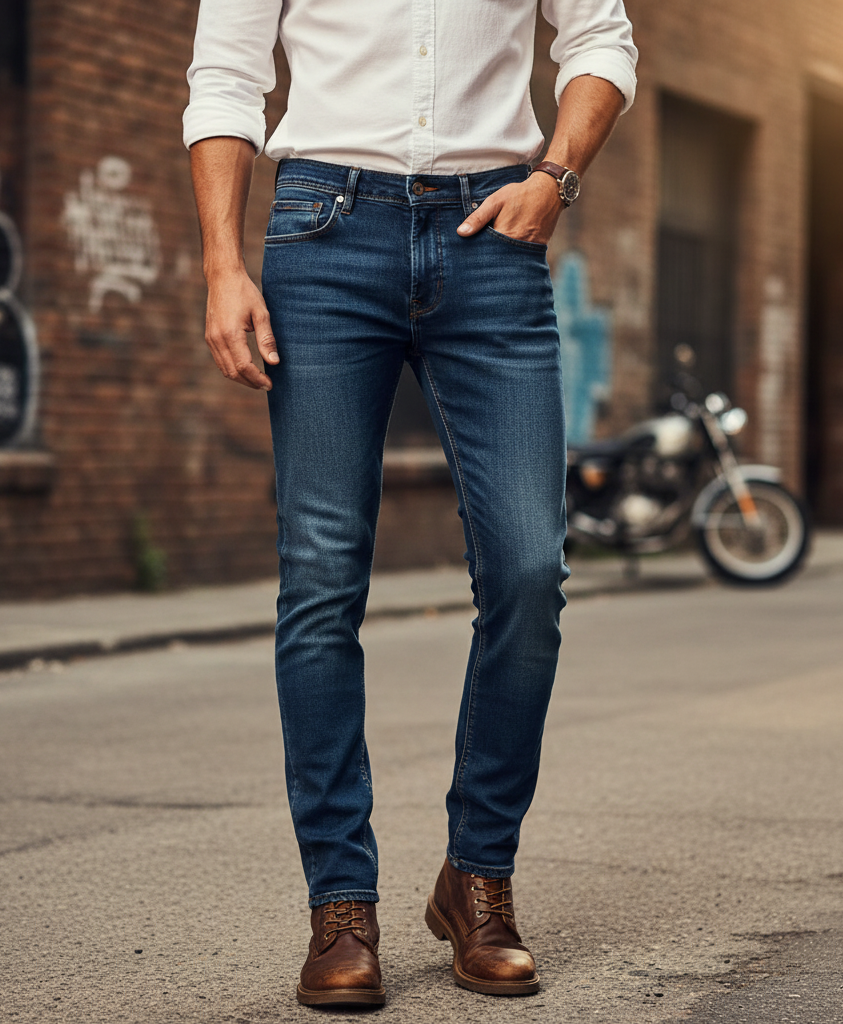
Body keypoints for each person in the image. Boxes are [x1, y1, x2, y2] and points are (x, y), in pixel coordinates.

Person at [183, 0, 636, 1007]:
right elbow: (226, 76)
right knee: (321, 579)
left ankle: (477, 876)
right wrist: (222, 266)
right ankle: (339, 907)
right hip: (323, 235)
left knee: (528, 569)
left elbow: (599, 38)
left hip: (493, 238)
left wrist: (557, 178)